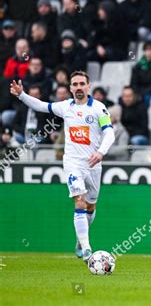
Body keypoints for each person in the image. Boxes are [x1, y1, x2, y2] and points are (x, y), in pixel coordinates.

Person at [9, 71, 115, 262]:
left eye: (82, 83)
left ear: (88, 86)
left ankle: (79, 239)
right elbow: (41, 106)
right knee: (79, 201)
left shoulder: (99, 109)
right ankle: (87, 248)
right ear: (71, 88)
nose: (79, 87)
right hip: (72, 162)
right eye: (75, 84)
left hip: (93, 164)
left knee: (90, 206)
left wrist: (101, 152)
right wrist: (22, 95)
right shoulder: (66, 107)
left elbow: (109, 133)